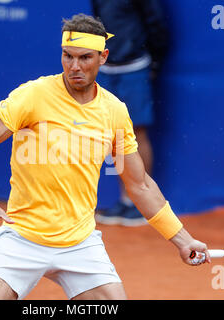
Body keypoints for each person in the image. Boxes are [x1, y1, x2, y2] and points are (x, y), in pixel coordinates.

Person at [0, 13, 209, 300]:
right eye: (67, 56)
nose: (74, 67)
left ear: (103, 57)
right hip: (22, 238)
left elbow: (139, 184)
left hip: (79, 244)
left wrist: (183, 240)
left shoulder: (114, 111)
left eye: (84, 58)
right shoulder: (32, 96)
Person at [91, 0, 169, 226]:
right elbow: (98, 25)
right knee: (115, 134)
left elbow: (156, 25)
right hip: (106, 68)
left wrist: (154, 61)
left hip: (134, 68)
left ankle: (141, 203)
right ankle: (126, 200)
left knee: (136, 132)